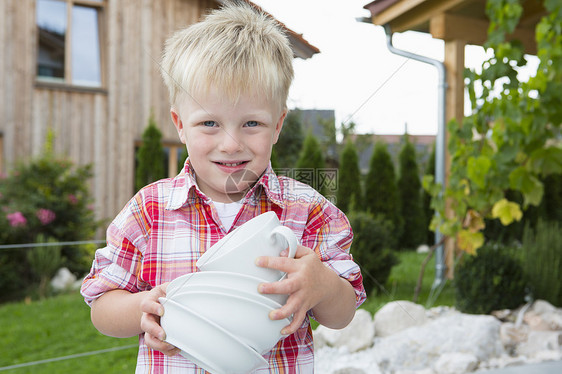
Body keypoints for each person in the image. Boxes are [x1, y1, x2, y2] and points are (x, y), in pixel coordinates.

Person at [81, 2, 366, 372]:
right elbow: (102, 304)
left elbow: (343, 314)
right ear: (180, 124)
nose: (231, 144)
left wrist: (323, 285)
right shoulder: (148, 210)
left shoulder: (307, 211)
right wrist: (143, 309)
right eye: (209, 124)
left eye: (251, 123)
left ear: (277, 125)